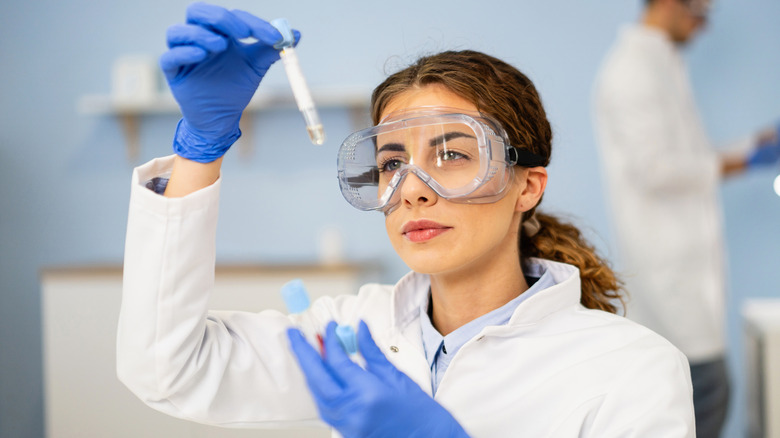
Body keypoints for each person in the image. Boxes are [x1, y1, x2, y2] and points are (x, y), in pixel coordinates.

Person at [117, 2, 697, 437]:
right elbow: (168, 369)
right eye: (391, 163)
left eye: (452, 154)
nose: (411, 191)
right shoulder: (355, 336)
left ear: (528, 186)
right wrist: (200, 147)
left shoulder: (631, 370)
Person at [592, 0, 780, 437]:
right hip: (666, 265)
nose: (702, 26)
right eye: (700, 13)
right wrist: (747, 160)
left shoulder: (660, 62)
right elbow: (657, 169)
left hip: (683, 261)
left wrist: (753, 145)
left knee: (707, 388)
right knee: (704, 390)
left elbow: (688, 156)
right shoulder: (633, 70)